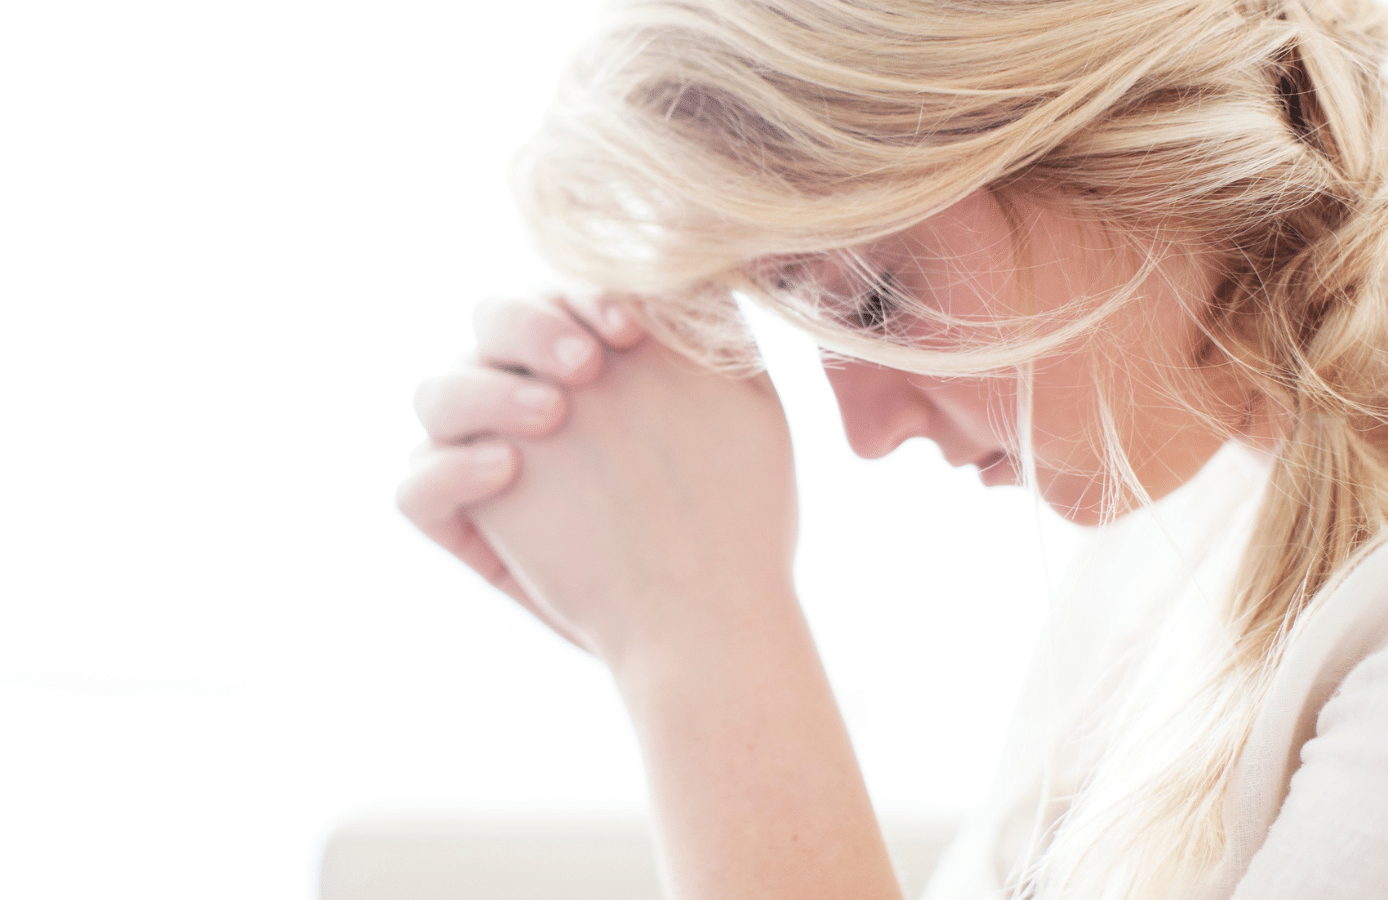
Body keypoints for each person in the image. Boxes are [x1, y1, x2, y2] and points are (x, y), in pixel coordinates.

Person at [396, 0, 1388, 897]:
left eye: (874, 297)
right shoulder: (1165, 567)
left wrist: (699, 640)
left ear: (1133, 141)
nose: (866, 432)